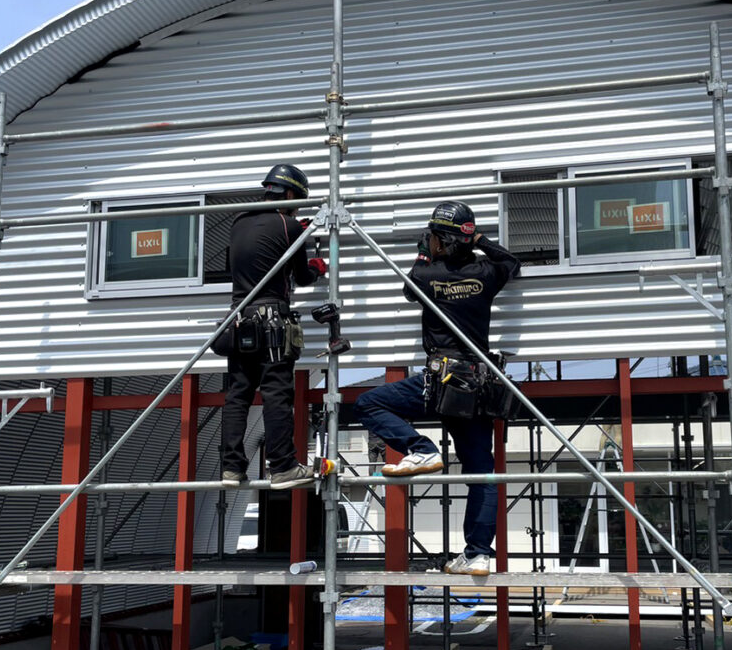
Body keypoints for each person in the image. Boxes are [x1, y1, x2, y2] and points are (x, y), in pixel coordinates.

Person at [354, 201, 521, 575]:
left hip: (441, 379)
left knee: (368, 403)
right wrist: (479, 240)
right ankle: (478, 554)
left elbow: (408, 289)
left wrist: (422, 252)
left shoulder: (427, 274)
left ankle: (421, 449)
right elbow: (511, 263)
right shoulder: (486, 272)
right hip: (477, 384)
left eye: (432, 237)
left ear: (440, 240)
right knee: (482, 473)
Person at [221, 163, 328, 490]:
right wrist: (316, 266)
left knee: (238, 395)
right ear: (291, 194)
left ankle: (231, 469)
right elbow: (303, 276)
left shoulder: (239, 222)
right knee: (276, 394)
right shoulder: (290, 227)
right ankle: (282, 467)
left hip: (239, 319)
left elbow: (257, 251)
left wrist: (293, 231)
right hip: (272, 321)